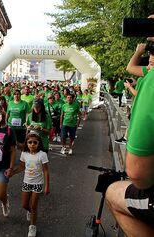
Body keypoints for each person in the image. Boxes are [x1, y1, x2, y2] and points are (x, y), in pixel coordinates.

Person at [106, 40, 154, 236]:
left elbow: (137, 174)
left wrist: (139, 51)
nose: (148, 66)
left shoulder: (151, 81)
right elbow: (132, 68)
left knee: (112, 192)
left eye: (151, 62)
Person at [12, 132, 50, 237]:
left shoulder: (42, 154)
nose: (32, 144)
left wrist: (47, 186)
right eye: (29, 142)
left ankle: (32, 226)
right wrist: (12, 173)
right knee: (24, 205)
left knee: (34, 206)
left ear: (39, 143)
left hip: (38, 183)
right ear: (26, 143)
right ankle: (31, 212)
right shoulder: (24, 154)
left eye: (35, 142)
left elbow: (46, 171)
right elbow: (21, 167)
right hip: (27, 182)